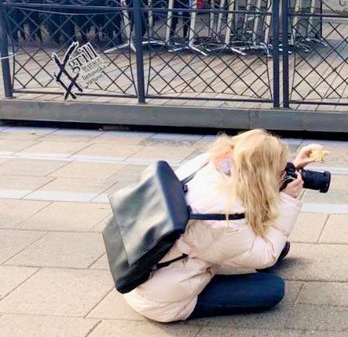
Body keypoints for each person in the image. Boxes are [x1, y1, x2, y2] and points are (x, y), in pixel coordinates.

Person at [123, 129, 324, 322]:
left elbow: (254, 178)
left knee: (280, 248)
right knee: (273, 288)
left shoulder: (208, 163)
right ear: (264, 176)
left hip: (147, 265)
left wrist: (289, 168)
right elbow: (266, 256)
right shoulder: (225, 218)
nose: (283, 174)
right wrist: (287, 200)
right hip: (160, 300)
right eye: (281, 172)